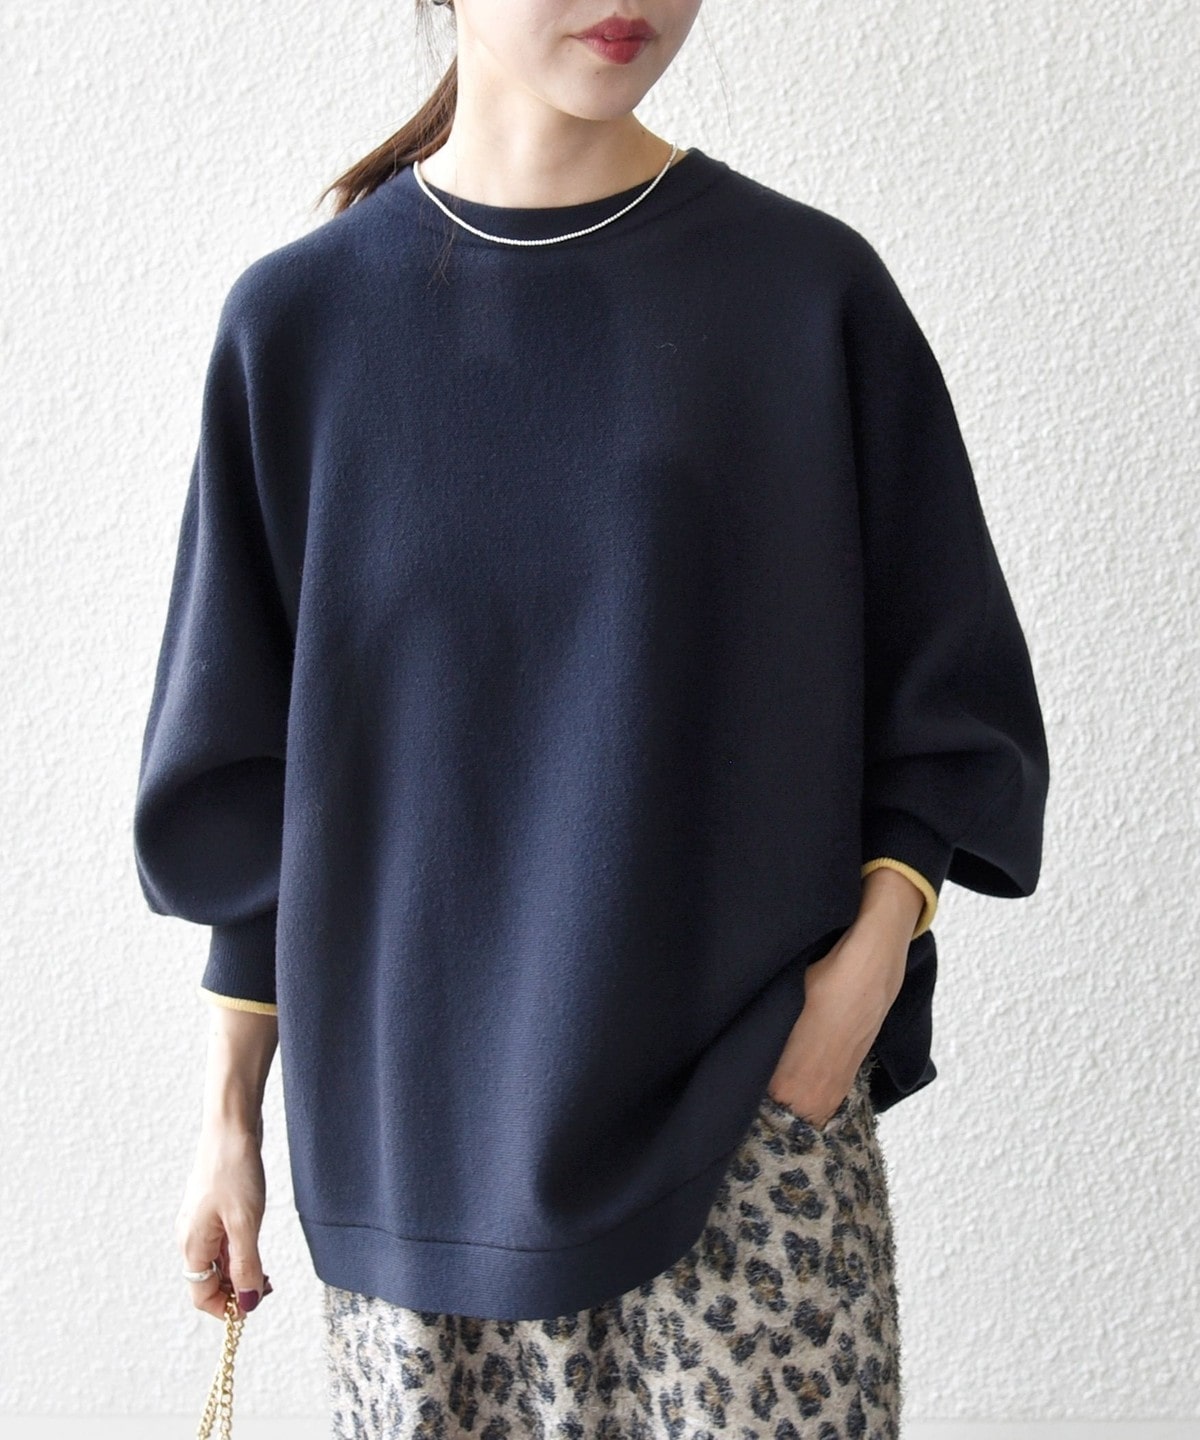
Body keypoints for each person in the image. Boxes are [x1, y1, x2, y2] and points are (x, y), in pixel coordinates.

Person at [133, 1, 1050, 1435]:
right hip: (414, 1170)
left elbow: (948, 695)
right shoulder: (302, 325)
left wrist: (860, 984)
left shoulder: (804, 293)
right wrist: (228, 1125)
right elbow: (259, 786)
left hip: (748, 1142)